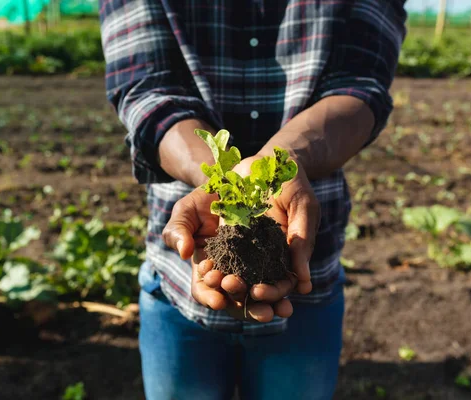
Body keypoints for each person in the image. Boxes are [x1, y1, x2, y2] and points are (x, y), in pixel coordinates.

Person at [99, 1, 406, 398]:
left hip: (309, 272)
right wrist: (219, 179)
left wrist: (283, 161)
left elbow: (361, 84)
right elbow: (147, 90)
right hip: (176, 284)